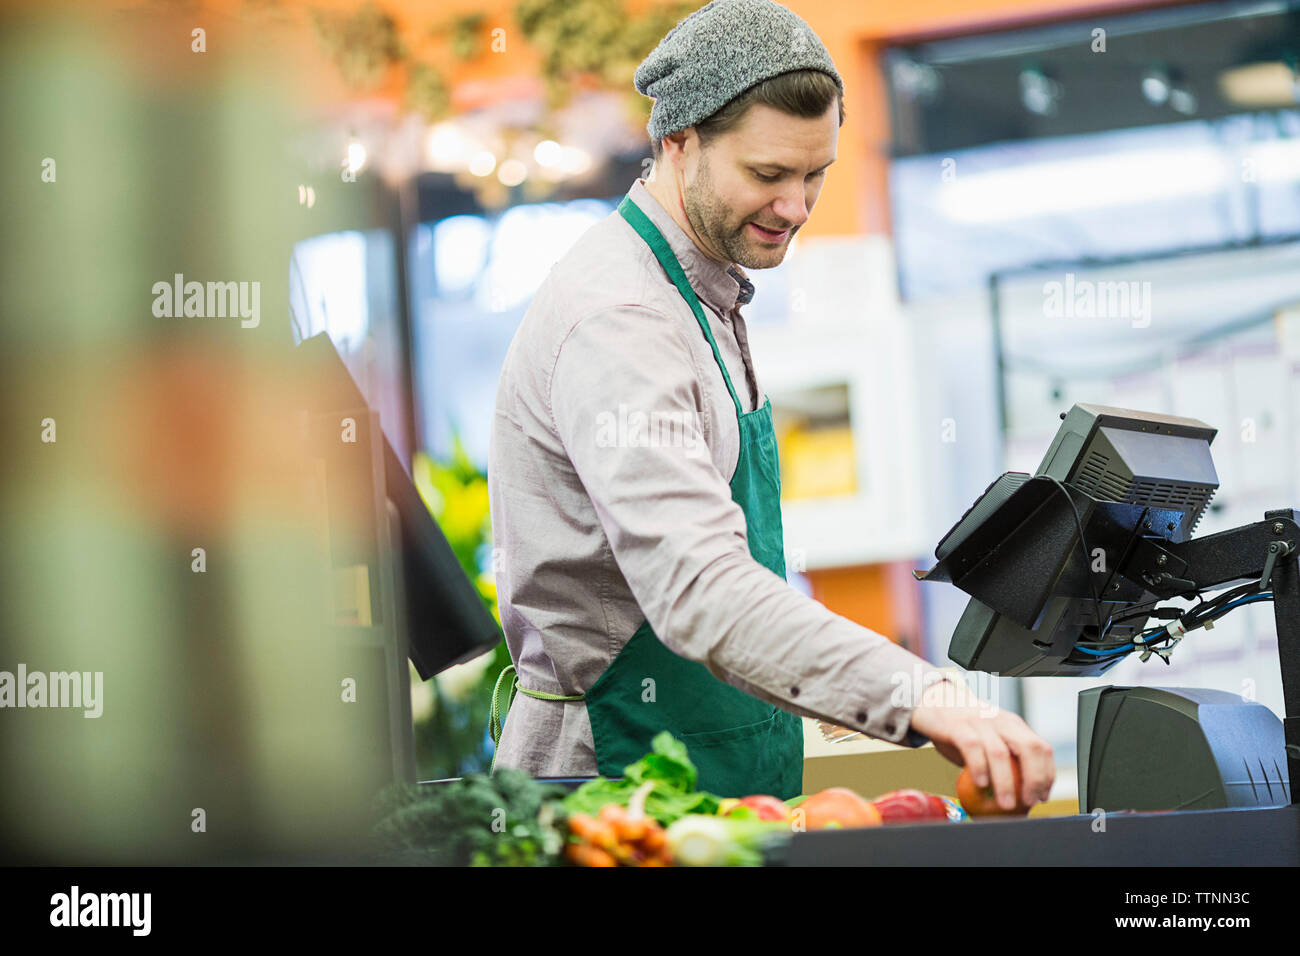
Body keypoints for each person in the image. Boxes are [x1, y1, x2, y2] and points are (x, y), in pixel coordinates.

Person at [488, 0, 1055, 808]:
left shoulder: (706, 296)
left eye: (814, 174)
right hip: (614, 782)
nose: (795, 206)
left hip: (710, 762)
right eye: (767, 175)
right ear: (677, 142)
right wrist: (923, 696)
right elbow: (700, 587)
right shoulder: (623, 321)